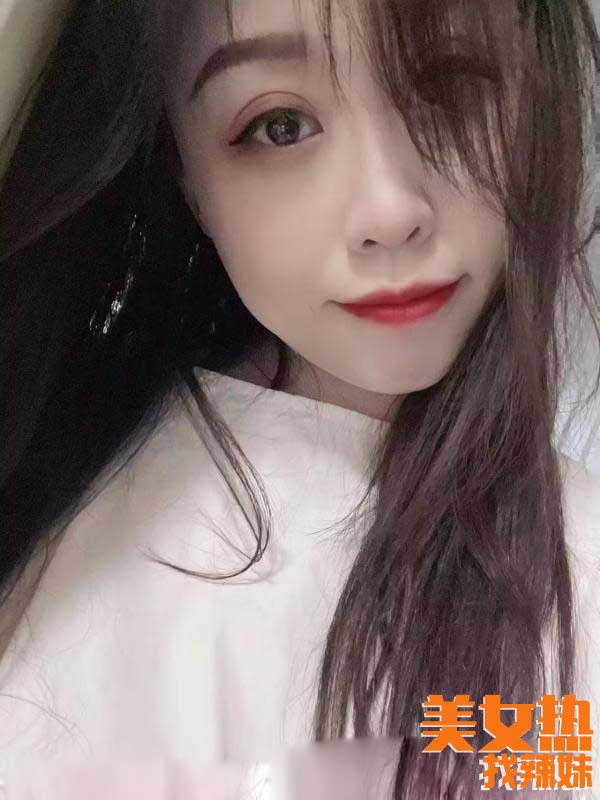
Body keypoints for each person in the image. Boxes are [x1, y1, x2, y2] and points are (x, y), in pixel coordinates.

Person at [1, 0, 599, 797]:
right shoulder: (106, 563)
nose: (390, 213)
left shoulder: (575, 549)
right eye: (279, 126)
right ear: (182, 173)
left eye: (452, 82)